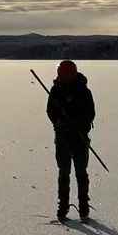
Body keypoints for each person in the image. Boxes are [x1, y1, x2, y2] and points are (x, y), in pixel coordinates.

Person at [47, 59, 95, 222]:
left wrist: (78, 124)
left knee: (81, 173)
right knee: (64, 173)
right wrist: (59, 122)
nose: (62, 77)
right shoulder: (56, 90)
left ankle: (83, 209)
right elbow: (50, 111)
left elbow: (90, 113)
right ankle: (63, 208)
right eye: (60, 74)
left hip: (79, 138)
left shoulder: (83, 91)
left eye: (64, 74)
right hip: (62, 138)